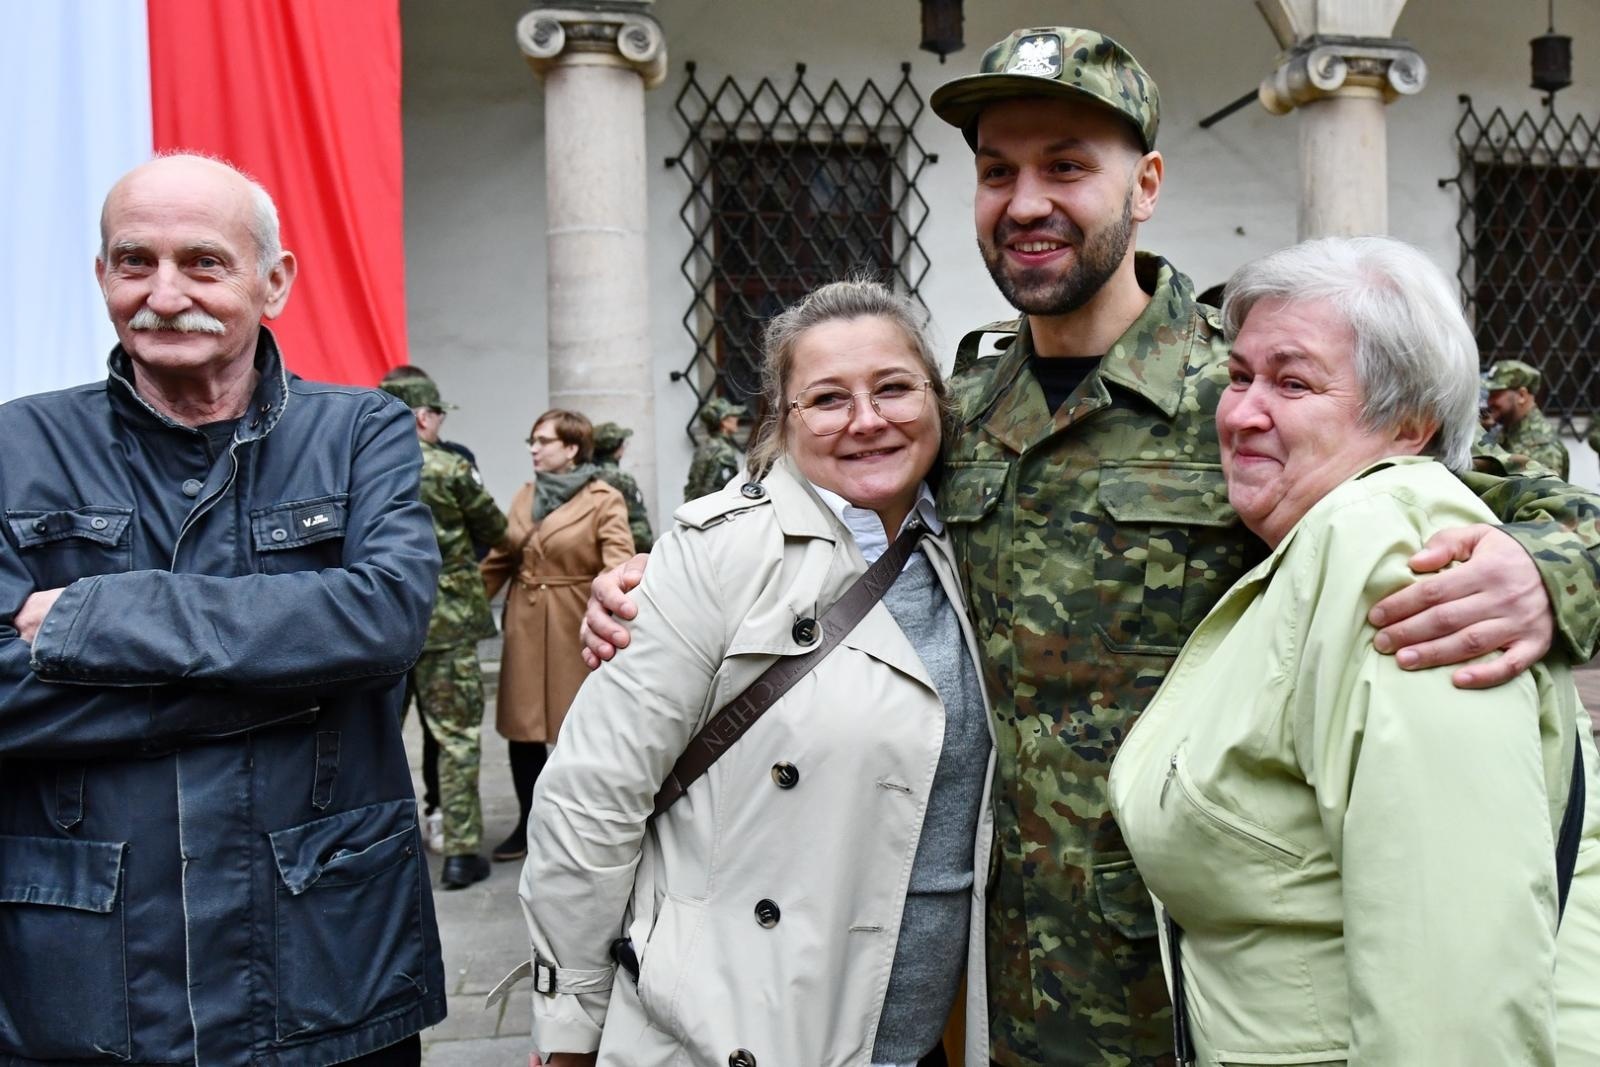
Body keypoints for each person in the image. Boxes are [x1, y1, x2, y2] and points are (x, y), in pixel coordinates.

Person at [583, 27, 1600, 1067]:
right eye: (996, 171)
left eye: (1066, 165)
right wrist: (653, 576)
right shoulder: (959, 407)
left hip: (1203, 979)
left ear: (1144, 182)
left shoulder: (1248, 395)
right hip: (1006, 972)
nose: (1025, 202)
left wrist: (1541, 571)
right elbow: (806, 507)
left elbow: (1509, 496)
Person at [1109, 235, 1600, 1064]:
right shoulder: (1324, 532)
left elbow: (1454, 984)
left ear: (1410, 423)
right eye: (1238, 377)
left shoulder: (1395, 548)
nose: (1239, 412)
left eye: (1294, 382)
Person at [0, 154, 444, 1065]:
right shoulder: (14, 446)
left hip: (325, 967)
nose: (165, 294)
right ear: (101, 277)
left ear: (273, 281)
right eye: (135, 262)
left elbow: (387, 616)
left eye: (203, 261)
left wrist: (95, 621)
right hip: (80, 982)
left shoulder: (361, 433)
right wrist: (295, 675)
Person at [518, 280, 993, 1067]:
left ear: (938, 402)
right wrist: (567, 1030)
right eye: (828, 398)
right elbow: (589, 799)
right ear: (783, 420)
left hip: (920, 1036)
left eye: (895, 388)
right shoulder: (715, 559)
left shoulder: (974, 546)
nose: (867, 419)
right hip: (740, 1031)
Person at [481, 410, 634, 862]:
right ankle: (528, 824)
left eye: (543, 441)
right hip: (526, 622)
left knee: (580, 727)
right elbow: (499, 559)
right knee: (522, 729)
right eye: (532, 440)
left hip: (576, 622)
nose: (533, 448)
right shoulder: (524, 496)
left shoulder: (605, 498)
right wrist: (453, 610)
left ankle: (581, 826)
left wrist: (613, 608)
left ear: (571, 448)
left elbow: (619, 562)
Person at [381, 375, 509, 889]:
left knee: (375, 738)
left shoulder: (357, 465)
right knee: (456, 739)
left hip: (377, 621)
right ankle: (459, 853)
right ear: (423, 416)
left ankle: (380, 850)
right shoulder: (451, 467)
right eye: (438, 415)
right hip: (445, 618)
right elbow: (496, 532)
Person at [1482, 358, 1570, 477]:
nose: (1489, 402)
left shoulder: (1542, 449)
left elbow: (1540, 494)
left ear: (1522, 395)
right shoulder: (1507, 429)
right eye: (1489, 394)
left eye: (1496, 394)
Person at [593, 420, 655, 552]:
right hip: (619, 550)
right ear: (617, 449)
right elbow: (637, 524)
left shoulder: (584, 476)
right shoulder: (622, 479)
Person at [682, 395, 747, 500]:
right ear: (723, 422)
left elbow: (693, 486)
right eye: (732, 415)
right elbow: (722, 490)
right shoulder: (724, 451)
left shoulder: (706, 446)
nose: (737, 419)